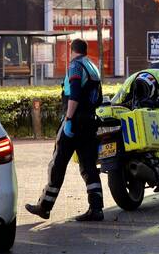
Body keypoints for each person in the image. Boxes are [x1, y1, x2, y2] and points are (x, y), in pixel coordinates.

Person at [26, 39, 104, 222]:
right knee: (89, 166)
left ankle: (44, 207)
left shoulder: (75, 67)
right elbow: (98, 97)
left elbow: (74, 94)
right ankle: (97, 208)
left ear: (72, 51)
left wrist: (69, 119)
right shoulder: (93, 67)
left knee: (57, 164)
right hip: (90, 122)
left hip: (75, 122)